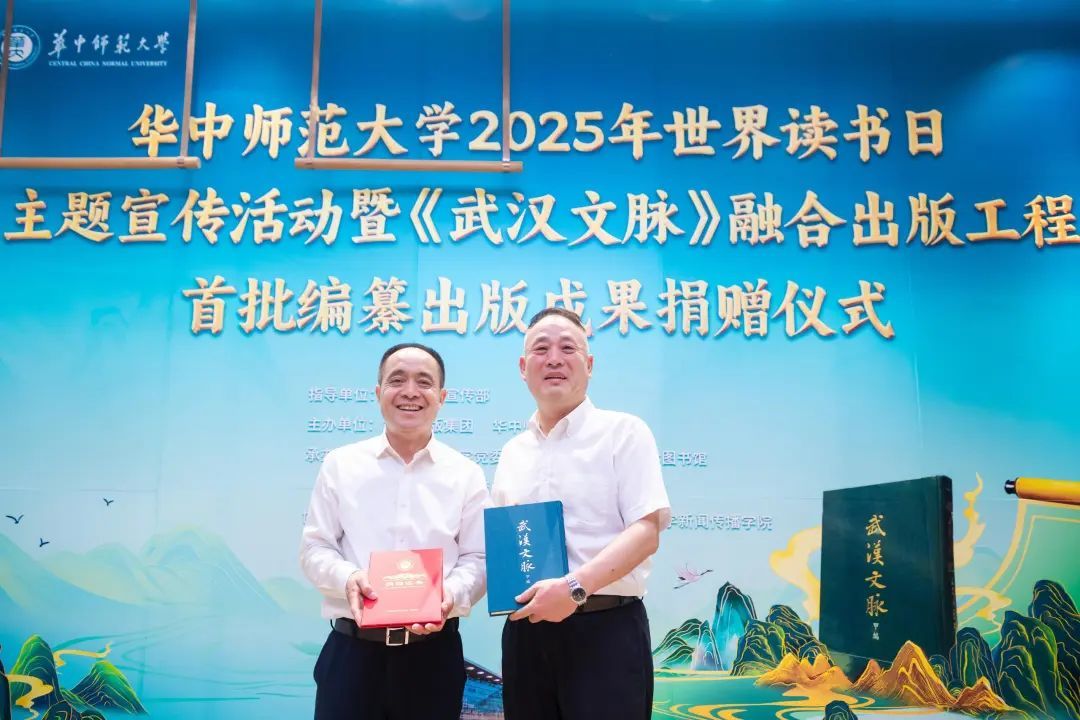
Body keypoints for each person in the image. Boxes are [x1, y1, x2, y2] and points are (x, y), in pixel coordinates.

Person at [492, 307, 671, 720]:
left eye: (567, 348)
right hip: (526, 636)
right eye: (541, 349)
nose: (554, 359)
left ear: (589, 364)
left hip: (605, 630)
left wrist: (574, 587)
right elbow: (504, 547)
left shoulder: (624, 432)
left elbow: (646, 531)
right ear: (523, 367)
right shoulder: (513, 452)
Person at [300, 343, 489, 720]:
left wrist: (449, 594)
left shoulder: (466, 474)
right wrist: (348, 578)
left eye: (424, 382)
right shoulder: (341, 465)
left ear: (442, 397)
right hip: (351, 653)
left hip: (432, 656)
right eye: (397, 380)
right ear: (378, 393)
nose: (410, 392)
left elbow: (478, 558)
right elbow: (315, 549)